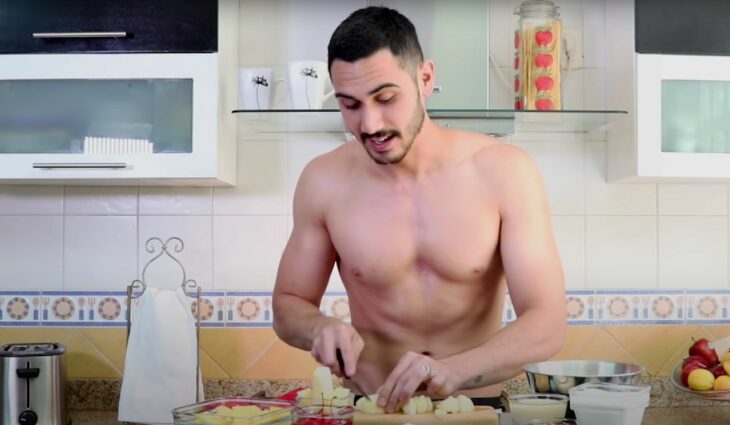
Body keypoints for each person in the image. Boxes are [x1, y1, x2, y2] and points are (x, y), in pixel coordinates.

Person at [272, 6, 566, 413]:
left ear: (425, 78)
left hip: (473, 409)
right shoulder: (323, 180)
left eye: (386, 98)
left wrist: (454, 371)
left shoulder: (506, 171)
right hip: (370, 410)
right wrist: (318, 327)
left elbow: (547, 321)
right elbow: (289, 303)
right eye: (350, 104)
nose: (370, 124)